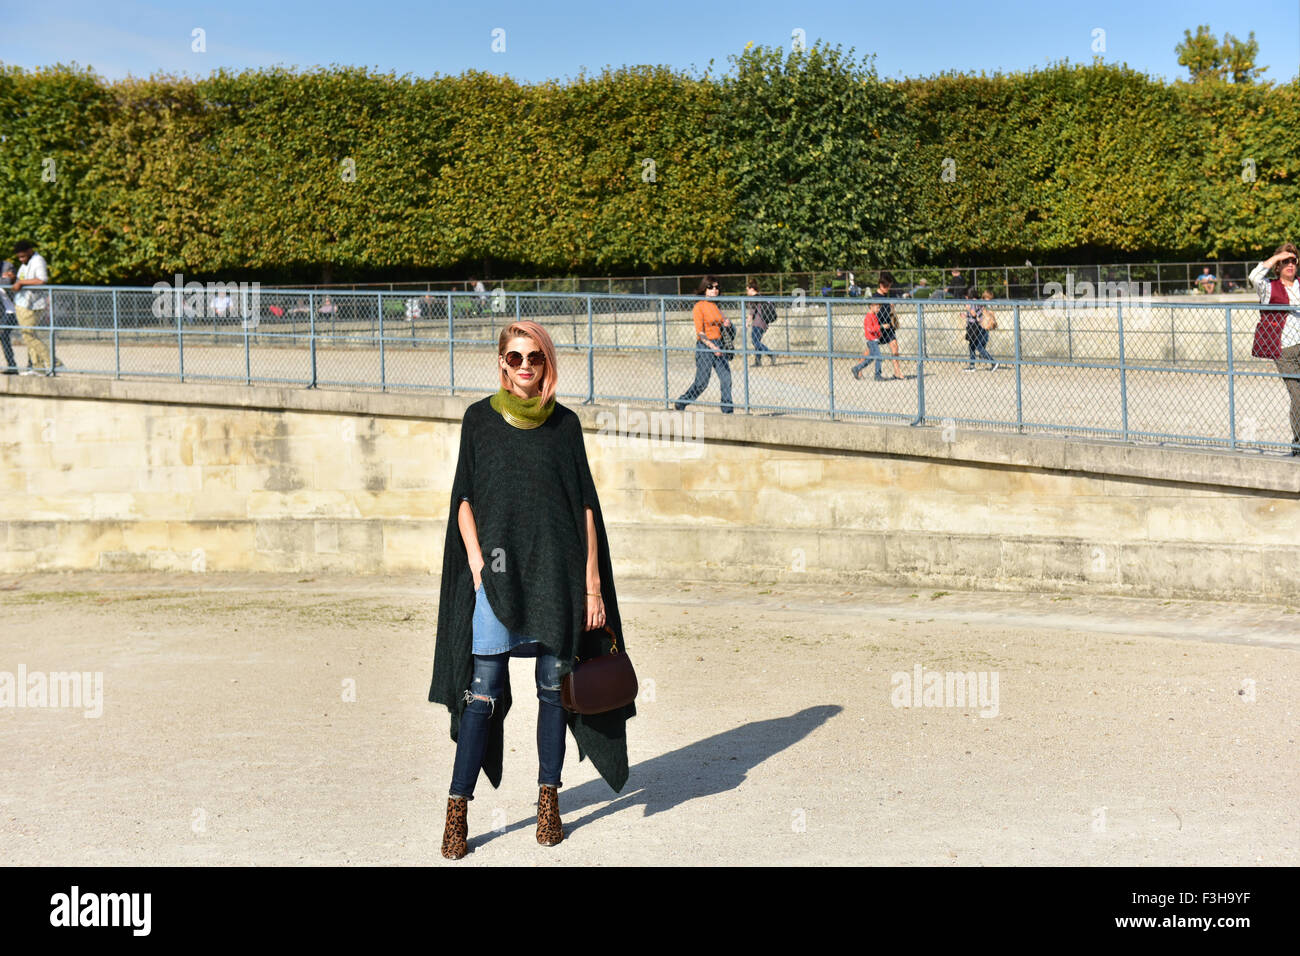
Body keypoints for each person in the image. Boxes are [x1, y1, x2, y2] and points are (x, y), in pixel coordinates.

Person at [429, 320, 633, 859]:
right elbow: (464, 498)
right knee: (482, 695)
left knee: (553, 694)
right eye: (515, 357)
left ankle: (549, 800)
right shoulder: (479, 420)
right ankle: (458, 809)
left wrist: (592, 585)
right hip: (495, 579)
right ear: (501, 363)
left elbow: (585, 506)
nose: (525, 366)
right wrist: (476, 563)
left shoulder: (564, 426)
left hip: (558, 578)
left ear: (547, 363)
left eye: (535, 358)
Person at [1248, 244, 1300, 455]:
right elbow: (1254, 277)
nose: (1289, 264)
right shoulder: (1269, 287)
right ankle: (1298, 443)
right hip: (1285, 349)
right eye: (1284, 262)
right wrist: (1275, 257)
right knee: (1298, 396)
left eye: (1293, 261)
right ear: (1277, 266)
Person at [674, 276, 734, 413]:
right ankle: (682, 402)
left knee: (726, 379)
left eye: (717, 287)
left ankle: (727, 410)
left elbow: (723, 323)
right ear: (704, 289)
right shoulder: (699, 306)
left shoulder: (716, 306)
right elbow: (700, 333)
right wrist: (713, 347)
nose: (714, 290)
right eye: (711, 287)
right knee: (702, 383)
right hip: (705, 346)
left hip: (719, 344)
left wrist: (727, 323)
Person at [10, 240, 61, 374]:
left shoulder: (38, 260)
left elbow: (41, 280)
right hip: (22, 303)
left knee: (28, 336)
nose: (21, 260)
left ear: (29, 251)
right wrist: (14, 279)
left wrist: (20, 282)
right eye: (19, 257)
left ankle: (53, 362)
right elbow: (23, 280)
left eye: (23, 256)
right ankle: (38, 368)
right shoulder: (25, 264)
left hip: (31, 305)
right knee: (29, 336)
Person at [869, 272, 904, 380]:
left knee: (894, 346)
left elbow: (888, 310)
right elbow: (872, 313)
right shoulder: (875, 297)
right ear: (881, 285)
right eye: (886, 286)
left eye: (889, 286)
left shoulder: (886, 296)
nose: (888, 288)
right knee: (870, 350)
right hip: (879, 327)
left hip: (888, 326)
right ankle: (859, 367)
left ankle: (897, 372)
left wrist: (891, 306)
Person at [963, 288, 999, 371]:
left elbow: (974, 314)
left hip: (975, 327)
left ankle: (992, 362)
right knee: (972, 346)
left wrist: (968, 310)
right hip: (977, 326)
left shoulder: (973, 302)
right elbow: (975, 314)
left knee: (977, 346)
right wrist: (967, 315)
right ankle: (972, 365)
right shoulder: (978, 302)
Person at [851, 300, 884, 381]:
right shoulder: (868, 317)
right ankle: (877, 375)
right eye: (877, 307)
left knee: (870, 358)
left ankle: (857, 368)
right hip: (871, 341)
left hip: (875, 340)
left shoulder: (874, 316)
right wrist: (881, 327)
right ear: (871, 306)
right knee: (879, 357)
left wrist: (879, 334)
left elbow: (875, 328)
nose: (878, 309)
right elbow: (870, 329)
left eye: (879, 307)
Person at [745, 280, 775, 367]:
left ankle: (771, 354)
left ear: (752, 289)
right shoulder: (761, 296)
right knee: (757, 342)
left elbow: (751, 313)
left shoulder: (753, 298)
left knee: (755, 342)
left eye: (747, 290)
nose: (747, 292)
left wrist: (747, 323)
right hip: (764, 323)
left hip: (757, 323)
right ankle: (758, 361)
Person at [0, 261, 20, 374]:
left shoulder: (7, 266)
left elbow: (7, 282)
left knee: (29, 335)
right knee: (3, 335)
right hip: (5, 311)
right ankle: (12, 365)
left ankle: (31, 365)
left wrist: (5, 279)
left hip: (16, 309)